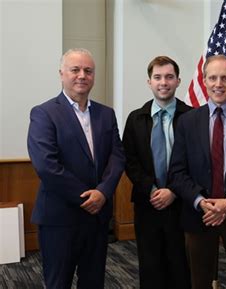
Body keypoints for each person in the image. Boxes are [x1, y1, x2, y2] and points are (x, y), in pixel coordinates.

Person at [27, 48, 125, 289]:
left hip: (98, 217)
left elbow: (117, 156)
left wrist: (102, 192)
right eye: (75, 69)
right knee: (58, 282)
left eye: (88, 71)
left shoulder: (106, 114)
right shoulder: (44, 113)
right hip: (60, 219)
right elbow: (46, 165)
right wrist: (86, 197)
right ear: (61, 74)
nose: (82, 75)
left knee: (93, 282)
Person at [168, 55, 226, 289]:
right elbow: (177, 172)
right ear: (204, 81)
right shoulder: (187, 122)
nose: (218, 83)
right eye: (213, 78)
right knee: (199, 281)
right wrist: (202, 202)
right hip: (199, 214)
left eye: (224, 78)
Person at [122, 56, 191, 289]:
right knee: (150, 264)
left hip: (181, 203)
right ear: (149, 82)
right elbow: (129, 160)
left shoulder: (192, 118)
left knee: (180, 263)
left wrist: (173, 190)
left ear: (178, 81)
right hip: (147, 202)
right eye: (158, 77)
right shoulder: (135, 119)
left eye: (169, 77)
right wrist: (151, 189)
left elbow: (196, 162)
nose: (164, 82)